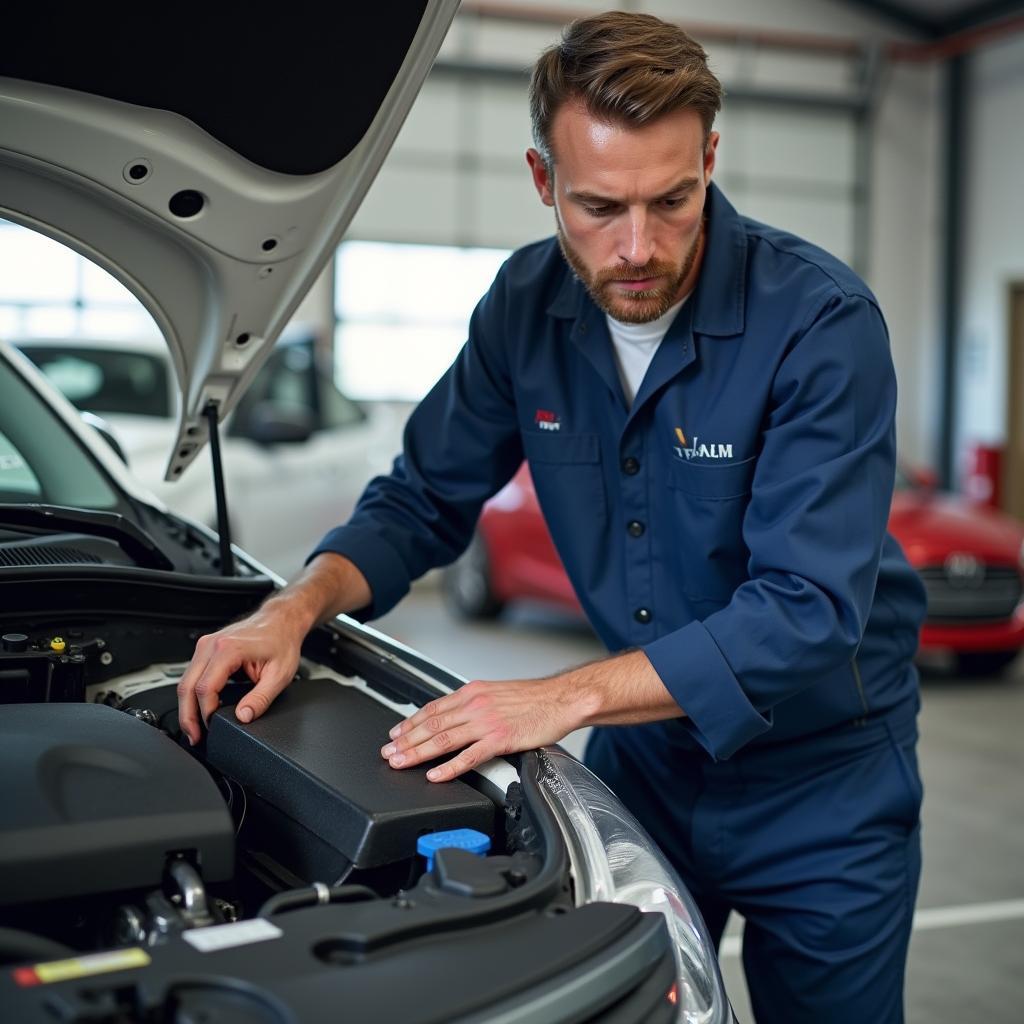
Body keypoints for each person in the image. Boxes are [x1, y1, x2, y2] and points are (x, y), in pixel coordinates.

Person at [178, 12, 927, 1022]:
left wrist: (559, 697)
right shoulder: (521, 309)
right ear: (543, 181)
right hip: (647, 767)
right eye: (597, 205)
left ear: (710, 157)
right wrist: (294, 607)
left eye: (673, 200)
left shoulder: (820, 325)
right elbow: (419, 498)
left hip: (822, 785)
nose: (638, 247)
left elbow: (801, 610)